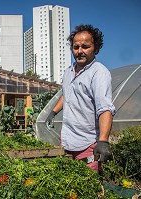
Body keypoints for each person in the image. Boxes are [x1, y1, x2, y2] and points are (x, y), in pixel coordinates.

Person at [46, 24, 116, 172]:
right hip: (66, 139)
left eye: (85, 46)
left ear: (95, 48)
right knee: (64, 184)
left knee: (86, 186)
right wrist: (53, 112)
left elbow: (105, 108)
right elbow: (68, 94)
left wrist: (103, 141)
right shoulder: (69, 71)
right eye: (76, 47)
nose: (80, 51)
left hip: (87, 143)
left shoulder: (99, 73)